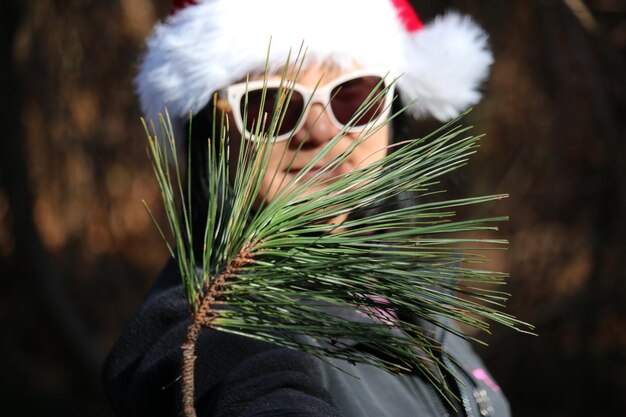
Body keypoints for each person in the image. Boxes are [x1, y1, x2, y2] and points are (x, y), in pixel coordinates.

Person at [103, 0, 508, 415]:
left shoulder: (405, 295)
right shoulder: (203, 325)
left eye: (354, 97)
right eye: (271, 107)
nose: (322, 131)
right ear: (213, 133)